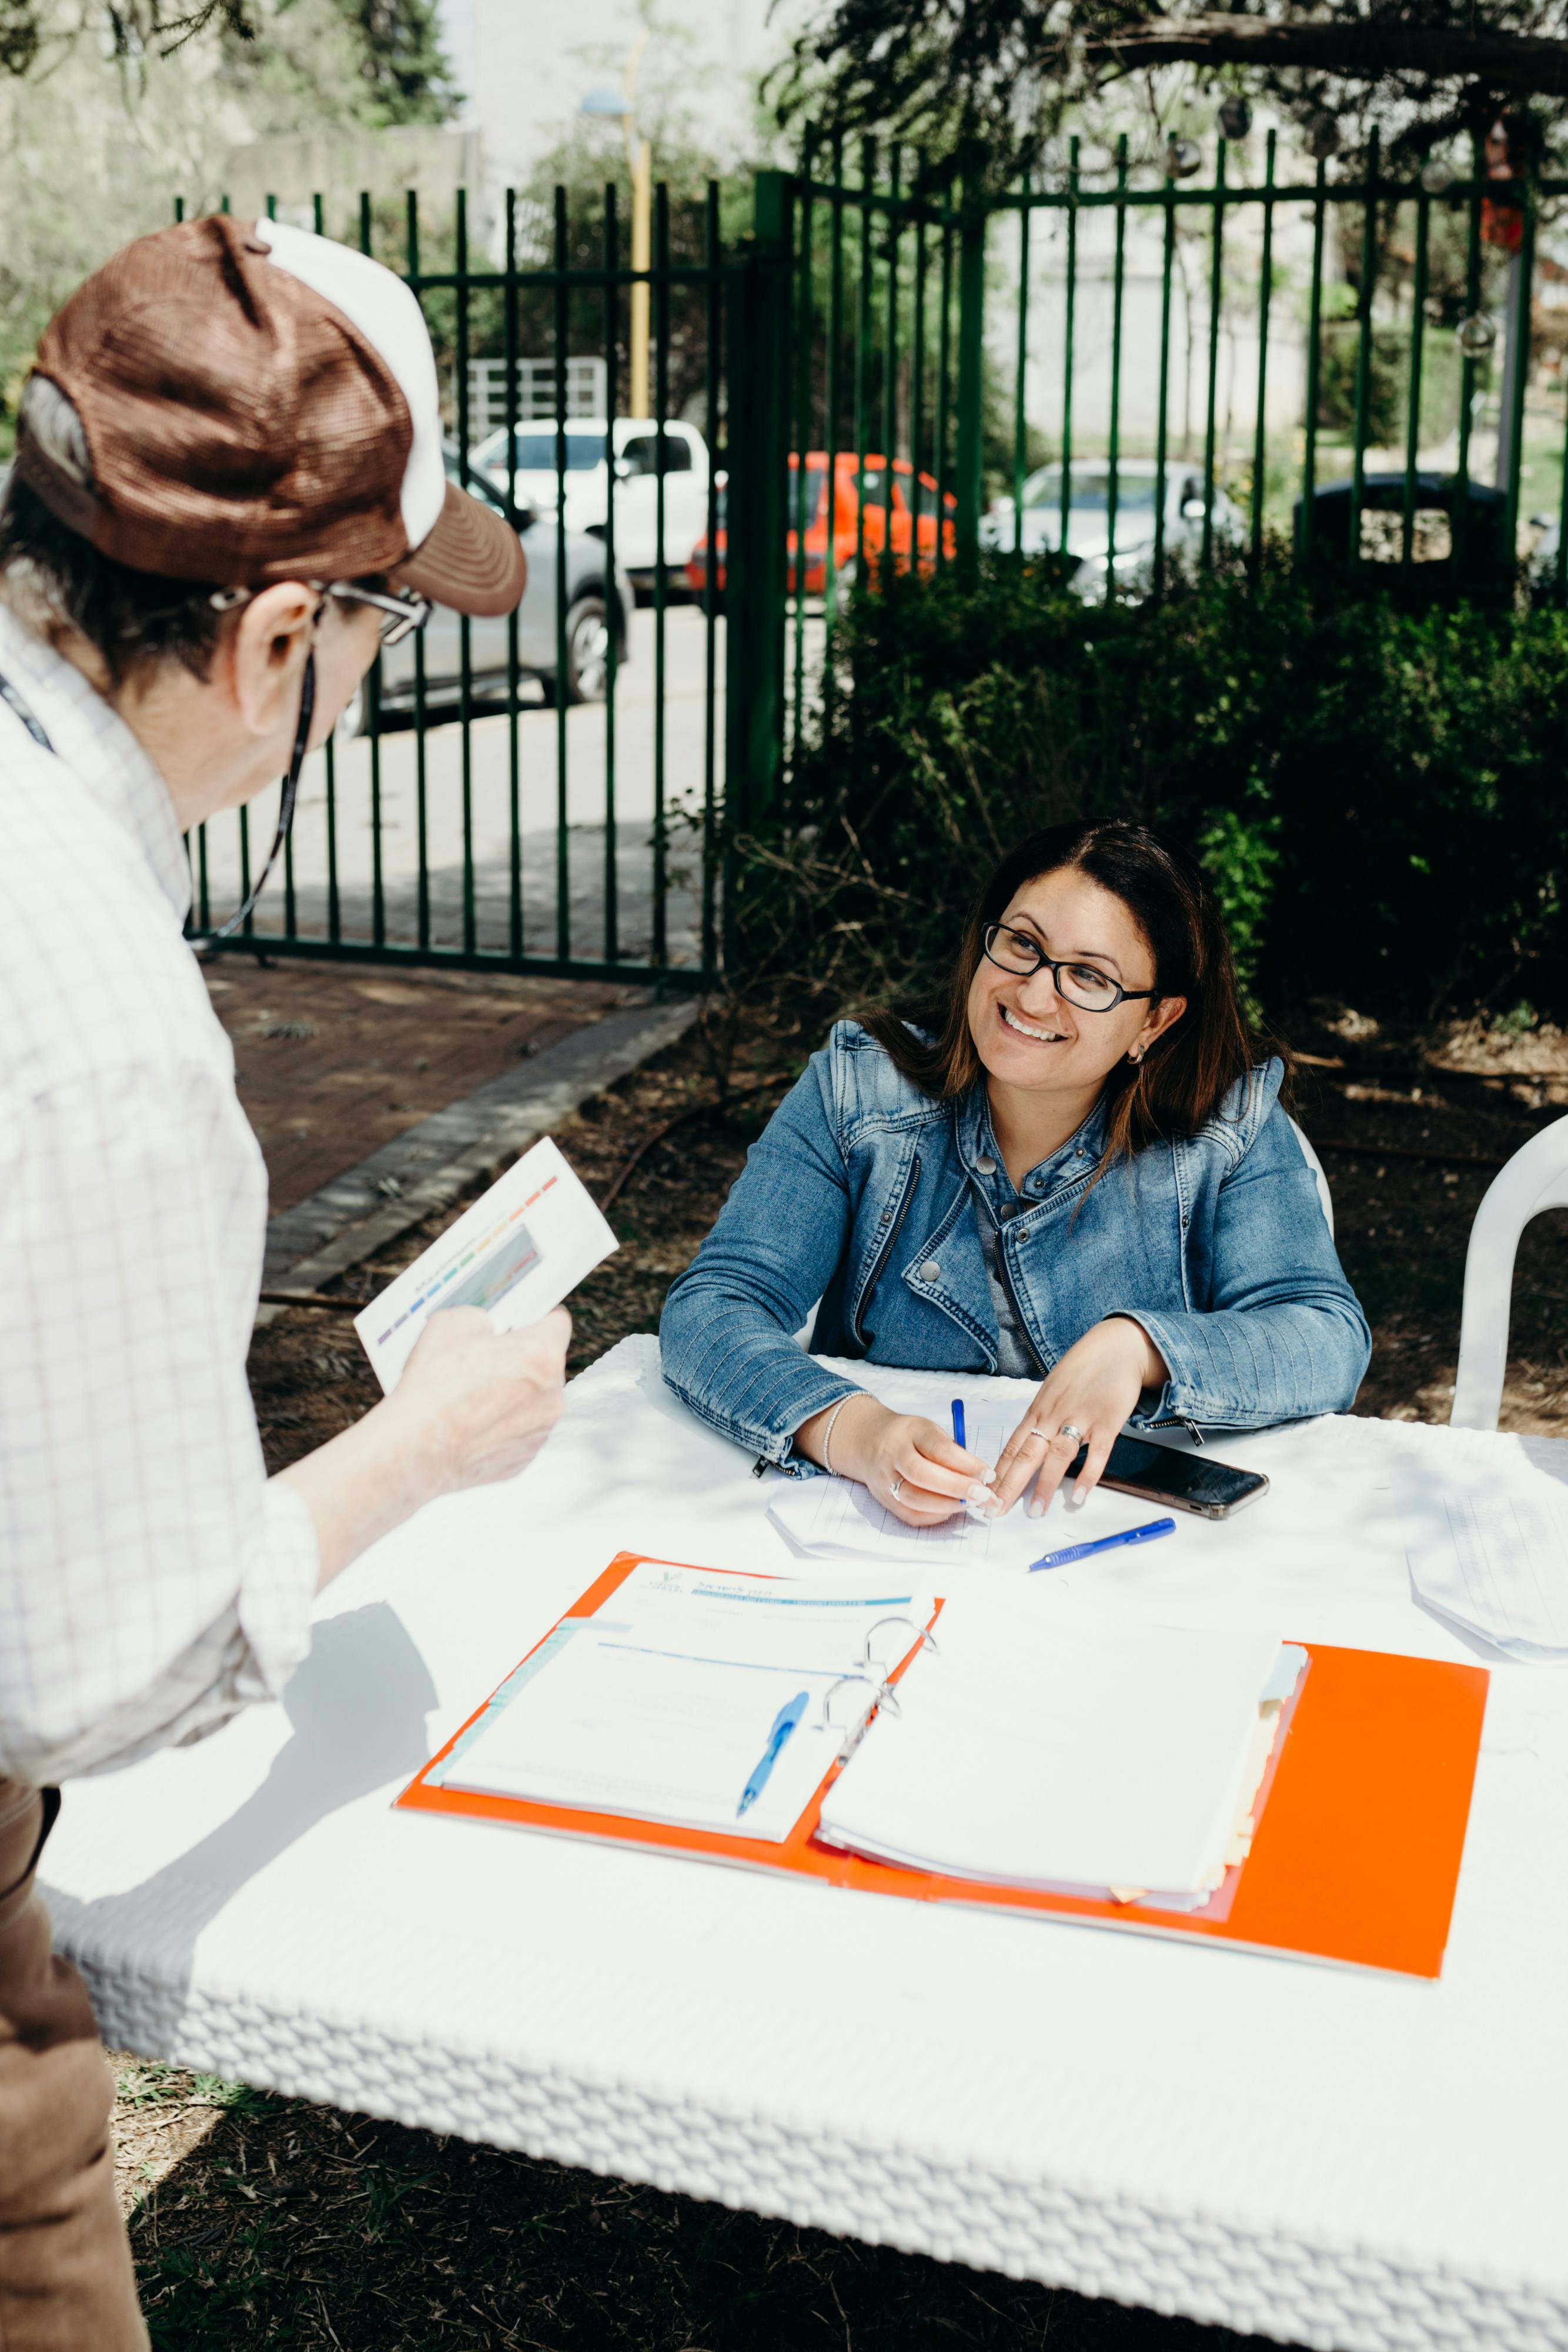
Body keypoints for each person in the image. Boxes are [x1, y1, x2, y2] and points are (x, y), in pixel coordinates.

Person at [0, 216, 571, 2349]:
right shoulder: (99, 1029)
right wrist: (416, 1452)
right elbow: (97, 1671)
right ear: (266, 640)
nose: (359, 697)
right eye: (373, 645)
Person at [661, 818, 1369, 1526]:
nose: (1032, 997)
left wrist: (1142, 1347)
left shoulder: (1230, 1121)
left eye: (1091, 976)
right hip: (876, 1532)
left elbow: (1325, 1336)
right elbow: (714, 1306)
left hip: (1128, 1545)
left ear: (1156, 1020)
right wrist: (853, 1431)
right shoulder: (858, 1087)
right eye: (1023, 944)